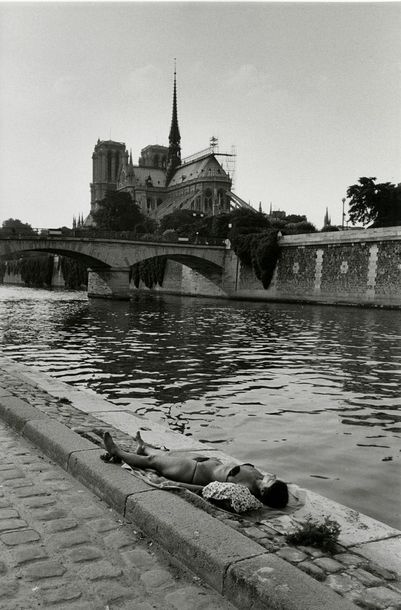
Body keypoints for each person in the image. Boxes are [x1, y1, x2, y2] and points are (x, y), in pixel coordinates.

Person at [103, 431, 289, 509]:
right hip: (206, 461)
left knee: (154, 462)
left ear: (264, 490)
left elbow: (207, 491)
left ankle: (117, 451)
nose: (271, 478)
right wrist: (269, 479)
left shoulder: (245, 490)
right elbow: (269, 479)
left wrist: (177, 484)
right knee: (164, 455)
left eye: (271, 482)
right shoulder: (260, 477)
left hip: (193, 472)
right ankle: (142, 447)